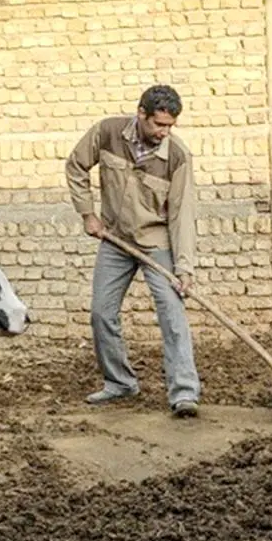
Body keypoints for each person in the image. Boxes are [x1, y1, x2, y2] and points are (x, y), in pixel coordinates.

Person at [66, 84, 201, 418]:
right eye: (158, 124)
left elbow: (182, 215)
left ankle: (184, 393)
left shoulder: (178, 156)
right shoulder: (108, 132)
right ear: (141, 114)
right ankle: (119, 383)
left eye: (169, 126)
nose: (164, 132)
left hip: (157, 243)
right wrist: (88, 214)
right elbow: (75, 166)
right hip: (115, 240)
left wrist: (184, 267)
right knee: (101, 312)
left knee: (172, 314)